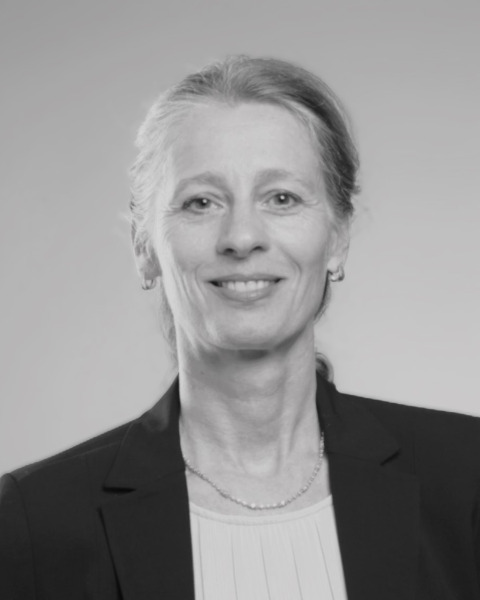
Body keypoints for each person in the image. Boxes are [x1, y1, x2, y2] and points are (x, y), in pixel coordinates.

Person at [1, 55, 479, 600]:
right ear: (144, 247)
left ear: (338, 237)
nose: (242, 237)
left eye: (282, 198)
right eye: (201, 202)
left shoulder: (468, 480)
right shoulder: (32, 523)